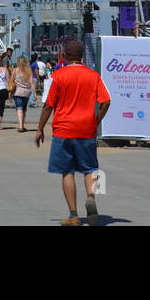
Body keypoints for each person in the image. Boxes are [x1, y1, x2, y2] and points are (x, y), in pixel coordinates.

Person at [35, 39, 111, 227]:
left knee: (67, 172)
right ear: (82, 56)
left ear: (65, 56)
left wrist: (39, 128)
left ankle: (73, 215)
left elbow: (48, 105)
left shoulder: (58, 76)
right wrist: (97, 120)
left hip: (64, 129)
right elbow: (106, 101)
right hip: (87, 128)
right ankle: (91, 197)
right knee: (91, 168)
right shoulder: (93, 75)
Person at [9, 55, 34, 131]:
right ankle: (22, 125)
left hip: (17, 92)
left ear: (18, 62)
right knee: (24, 109)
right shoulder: (29, 70)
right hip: (26, 92)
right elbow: (32, 83)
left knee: (19, 108)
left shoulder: (15, 70)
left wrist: (10, 92)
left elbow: (11, 80)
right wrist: (35, 93)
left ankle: (20, 126)